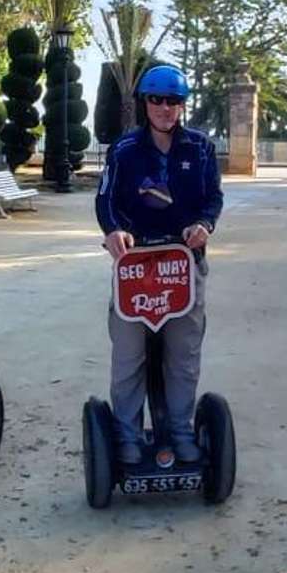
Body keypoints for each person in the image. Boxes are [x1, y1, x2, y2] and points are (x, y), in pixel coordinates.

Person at [95, 65, 223, 466]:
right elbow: (105, 200)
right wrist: (114, 230)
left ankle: (181, 429)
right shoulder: (125, 149)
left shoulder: (200, 147)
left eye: (174, 101)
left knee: (183, 354)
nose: (166, 108)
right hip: (136, 266)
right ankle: (128, 434)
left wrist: (204, 224)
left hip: (183, 265)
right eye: (157, 100)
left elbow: (212, 198)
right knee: (129, 354)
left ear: (183, 104)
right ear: (145, 103)